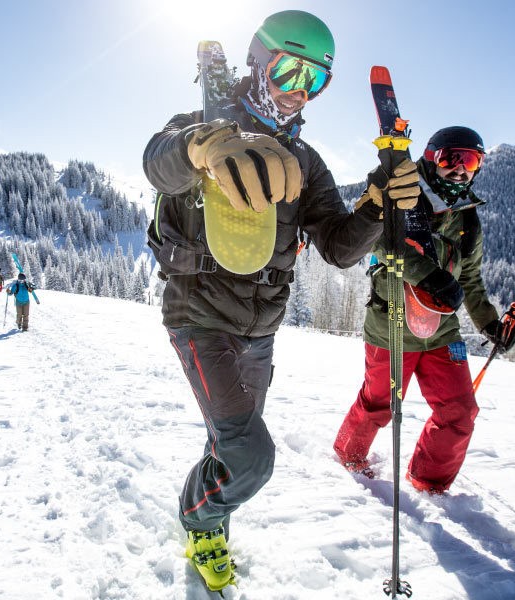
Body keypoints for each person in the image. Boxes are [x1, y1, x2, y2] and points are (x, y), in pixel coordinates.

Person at [142, 10, 419, 592]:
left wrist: (375, 206)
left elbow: (340, 248)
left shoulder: (307, 163)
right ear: (258, 60)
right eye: (290, 70)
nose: (299, 91)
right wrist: (201, 147)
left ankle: (209, 507)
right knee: (251, 456)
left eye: (315, 81)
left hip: (262, 328)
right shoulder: (200, 125)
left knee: (229, 439)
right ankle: (201, 520)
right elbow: (158, 161)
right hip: (199, 317)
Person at [332, 126, 515, 495]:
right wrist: (429, 277)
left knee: (461, 412)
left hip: (442, 328)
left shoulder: (466, 217)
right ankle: (348, 460)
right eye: (452, 159)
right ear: (432, 158)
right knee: (378, 404)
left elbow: (472, 281)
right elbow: (382, 245)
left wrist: (490, 324)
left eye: (472, 160)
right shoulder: (405, 190)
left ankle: (429, 484)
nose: (461, 169)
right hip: (392, 323)